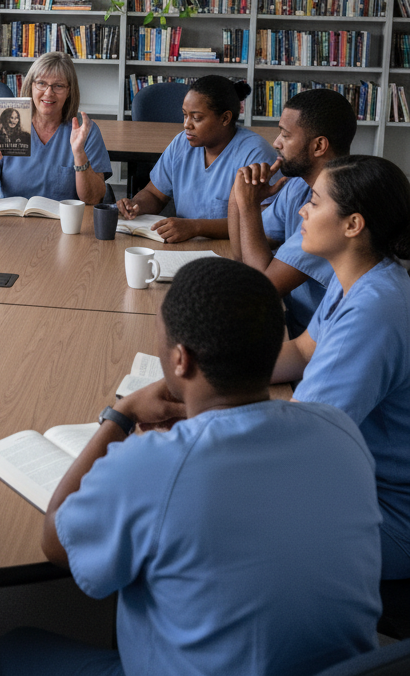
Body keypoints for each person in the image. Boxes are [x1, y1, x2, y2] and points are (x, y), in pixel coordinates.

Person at [0, 257, 381, 676]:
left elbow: (56, 541)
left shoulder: (153, 465)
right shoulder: (340, 431)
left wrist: (120, 416)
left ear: (181, 360)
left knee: (13, 647)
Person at [271, 155, 410, 579]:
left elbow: (301, 437)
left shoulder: (375, 309)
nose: (302, 210)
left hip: (384, 512)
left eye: (314, 202)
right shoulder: (354, 277)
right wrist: (212, 371)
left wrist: (201, 410)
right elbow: (300, 351)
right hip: (346, 479)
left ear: (352, 225)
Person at [228, 88, 356, 334]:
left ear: (319, 145)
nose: (276, 144)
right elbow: (242, 255)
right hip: (293, 327)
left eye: (285, 135)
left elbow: (263, 287)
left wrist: (249, 205)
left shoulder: (338, 205)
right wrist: (239, 195)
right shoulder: (298, 183)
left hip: (323, 341)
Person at [116, 76, 274, 242]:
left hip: (232, 249)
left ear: (225, 118)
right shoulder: (181, 143)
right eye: (185, 115)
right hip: (185, 243)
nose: (186, 124)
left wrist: (196, 227)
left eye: (196, 118)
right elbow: (154, 194)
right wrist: (135, 205)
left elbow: (266, 222)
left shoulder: (256, 155)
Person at [0, 52, 111, 204]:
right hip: (12, 222)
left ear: (69, 91)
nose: (49, 93)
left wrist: (79, 154)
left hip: (63, 223)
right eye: (41, 83)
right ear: (31, 86)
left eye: (58, 86)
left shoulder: (85, 131)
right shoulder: (8, 124)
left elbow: (94, 198)